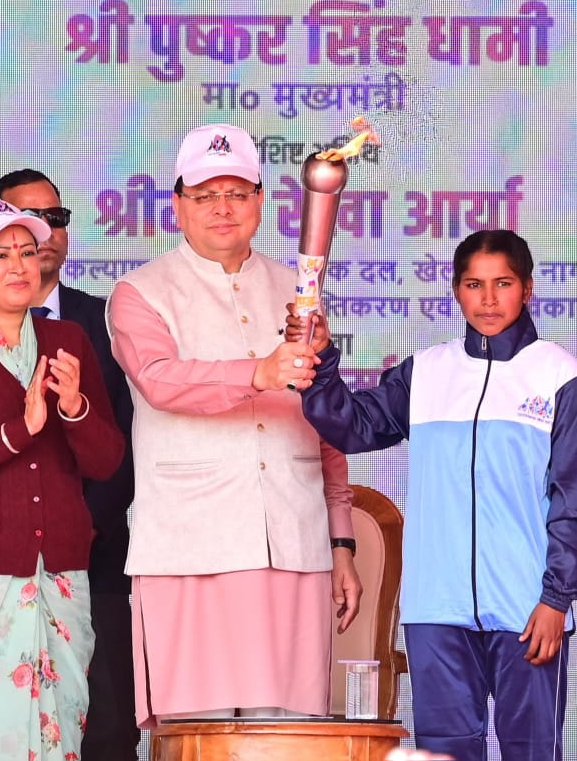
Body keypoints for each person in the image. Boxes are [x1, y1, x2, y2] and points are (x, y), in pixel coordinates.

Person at [296, 229, 577, 761]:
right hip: (436, 610)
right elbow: (351, 425)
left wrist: (556, 599)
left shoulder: (558, 373)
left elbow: (573, 500)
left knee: (533, 752)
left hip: (527, 609)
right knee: (445, 754)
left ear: (527, 289)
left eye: (503, 283)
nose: (488, 299)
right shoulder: (426, 372)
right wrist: (321, 360)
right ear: (456, 290)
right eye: (474, 284)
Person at [105, 122, 362, 724]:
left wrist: (341, 540)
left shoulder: (298, 293)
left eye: (237, 193)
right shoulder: (139, 293)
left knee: (289, 739)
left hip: (294, 548)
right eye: (205, 194)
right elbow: (160, 380)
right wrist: (261, 372)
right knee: (200, 739)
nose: (223, 207)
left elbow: (323, 420)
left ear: (260, 201)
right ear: (178, 204)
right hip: (192, 552)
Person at [0, 170, 139, 761]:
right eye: (0, 255)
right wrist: (21, 430)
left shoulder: (70, 337)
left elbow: (107, 458)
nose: (20, 265)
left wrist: (73, 408)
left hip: (62, 569)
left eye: (26, 251)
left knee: (63, 734)